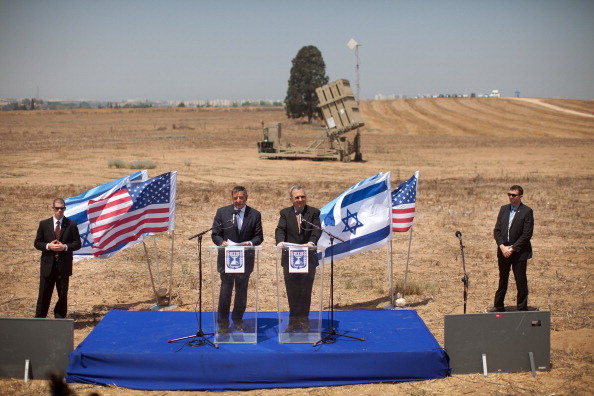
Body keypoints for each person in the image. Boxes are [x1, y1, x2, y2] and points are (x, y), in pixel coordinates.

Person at [211, 186, 263, 333]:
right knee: (225, 291)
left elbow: (259, 236)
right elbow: (215, 233)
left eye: (241, 198)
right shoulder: (222, 212)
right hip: (227, 258)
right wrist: (222, 242)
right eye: (235, 198)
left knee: (241, 291)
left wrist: (250, 243)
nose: (238, 201)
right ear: (232, 198)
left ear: (246, 197)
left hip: (245, 259)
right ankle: (222, 323)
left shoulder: (255, 214)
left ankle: (238, 320)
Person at [275, 185, 322, 332]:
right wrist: (280, 241)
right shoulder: (285, 213)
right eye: (297, 197)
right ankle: (293, 321)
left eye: (303, 197)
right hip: (290, 259)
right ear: (291, 199)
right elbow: (280, 230)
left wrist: (312, 242)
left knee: (305, 290)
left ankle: (304, 320)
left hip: (308, 258)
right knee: (292, 290)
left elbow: (317, 230)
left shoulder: (313, 213)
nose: (300, 200)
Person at [34, 198, 81, 318]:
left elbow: (77, 244)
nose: (59, 211)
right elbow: (37, 243)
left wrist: (64, 247)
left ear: (65, 209)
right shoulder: (44, 224)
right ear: (53, 208)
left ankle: (59, 320)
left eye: (62, 208)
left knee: (62, 294)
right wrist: (48, 246)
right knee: (44, 294)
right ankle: (39, 319)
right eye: (57, 208)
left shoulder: (71, 225)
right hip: (47, 265)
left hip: (63, 266)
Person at [490, 185, 534, 312]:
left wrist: (513, 248)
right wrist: (502, 247)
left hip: (519, 252)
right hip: (503, 251)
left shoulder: (527, 211)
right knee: (503, 278)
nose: (510, 197)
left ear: (520, 196)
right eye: (509, 194)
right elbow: (497, 230)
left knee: (520, 280)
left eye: (513, 195)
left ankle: (522, 307)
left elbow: (527, 234)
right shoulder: (503, 209)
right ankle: (498, 305)